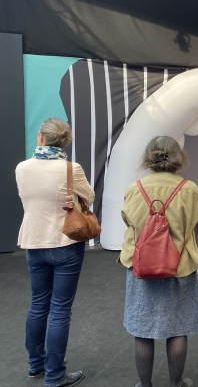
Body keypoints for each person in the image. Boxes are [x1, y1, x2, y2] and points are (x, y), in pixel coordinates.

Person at [16, 117, 95, 387]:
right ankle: (55, 375)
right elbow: (90, 197)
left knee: (38, 304)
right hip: (65, 244)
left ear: (41, 137)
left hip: (33, 242)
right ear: (65, 141)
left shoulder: (22, 168)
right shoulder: (71, 169)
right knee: (60, 310)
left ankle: (35, 365)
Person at [119, 136, 198, 387]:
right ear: (178, 157)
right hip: (180, 267)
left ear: (149, 157)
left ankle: (145, 385)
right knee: (178, 327)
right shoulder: (190, 189)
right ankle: (176, 384)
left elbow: (128, 220)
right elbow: (194, 221)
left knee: (142, 330)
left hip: (141, 266)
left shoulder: (135, 188)